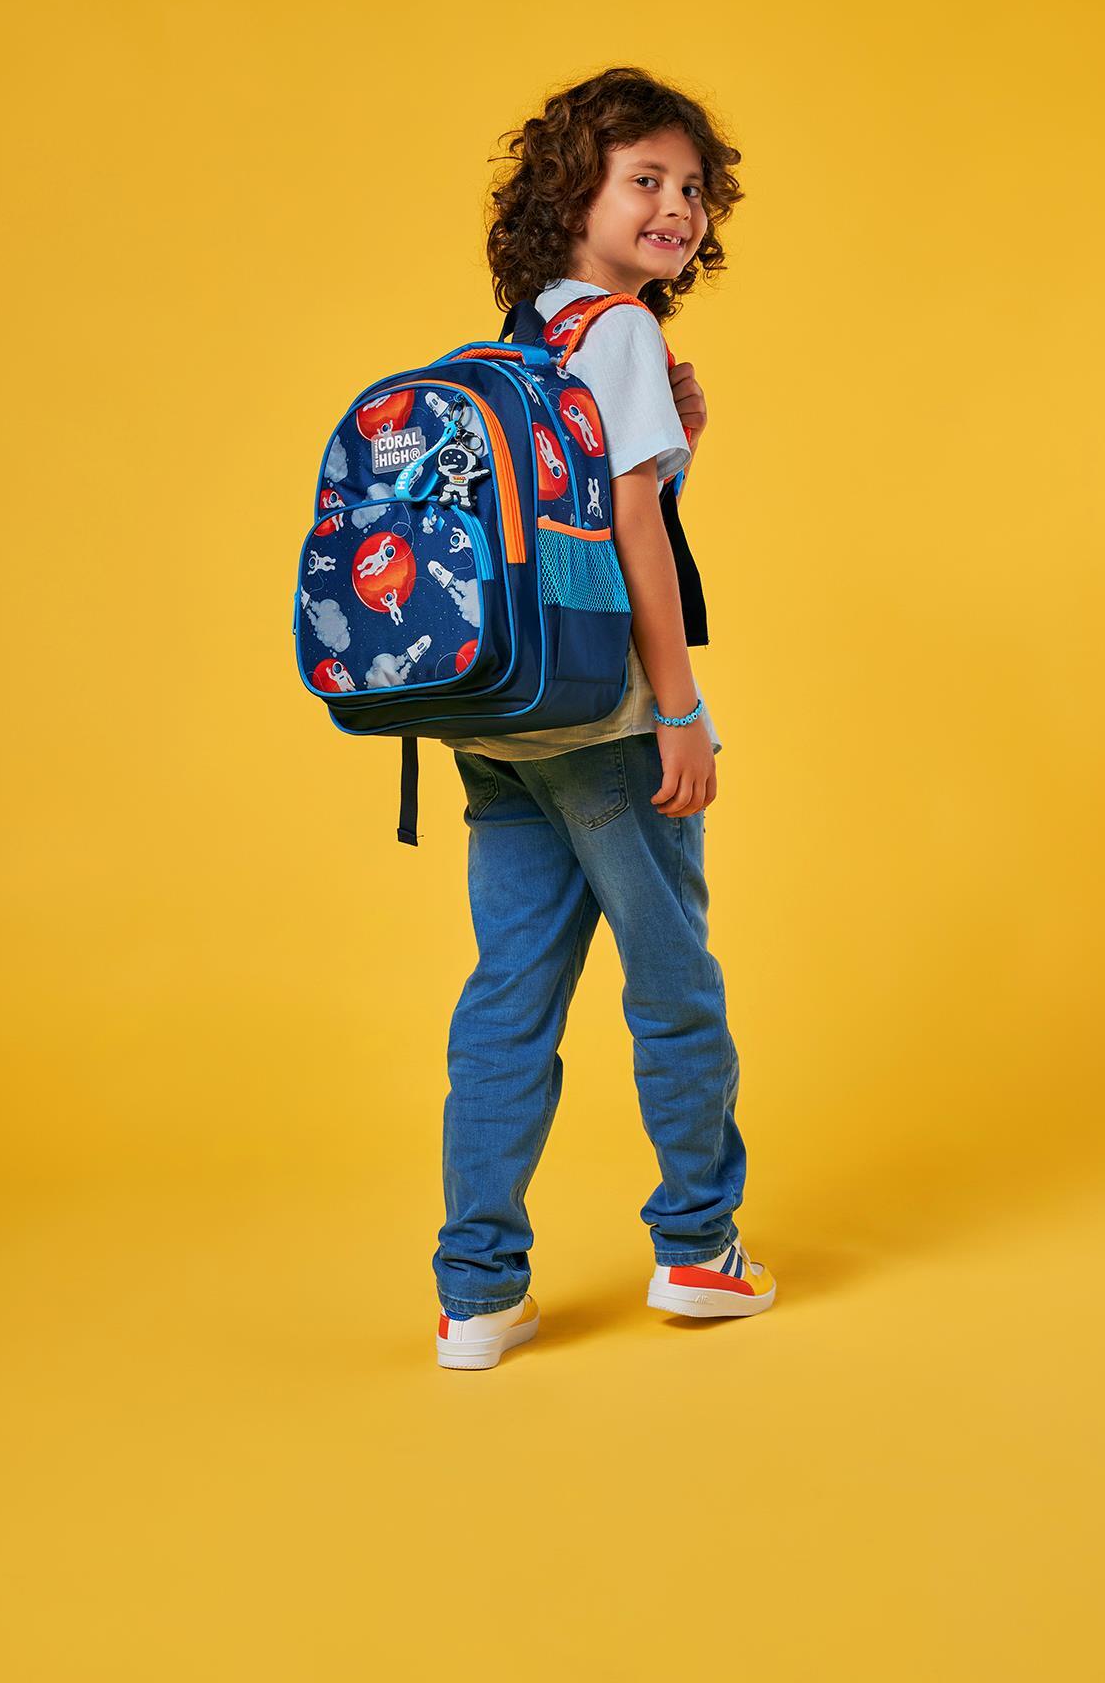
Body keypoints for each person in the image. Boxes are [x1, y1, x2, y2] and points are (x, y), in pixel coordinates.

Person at [433, 67, 775, 1371]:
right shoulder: (619, 335)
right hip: (610, 723)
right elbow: (633, 530)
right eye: (645, 180)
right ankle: (699, 1247)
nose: (677, 206)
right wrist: (679, 709)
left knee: (508, 999)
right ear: (574, 193)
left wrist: (677, 444)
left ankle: (476, 1295)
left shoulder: (526, 335)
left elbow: (576, 512)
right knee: (674, 984)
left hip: (501, 721)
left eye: (692, 188)